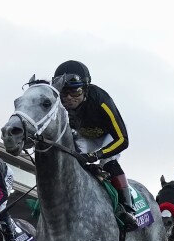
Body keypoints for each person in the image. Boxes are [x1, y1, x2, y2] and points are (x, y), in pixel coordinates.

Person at [53, 60, 138, 230]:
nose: (69, 98)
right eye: (64, 92)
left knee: (109, 163)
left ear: (85, 88)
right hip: (83, 135)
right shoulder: (57, 102)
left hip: (109, 135)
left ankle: (128, 209)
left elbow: (123, 139)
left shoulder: (102, 101)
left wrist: (98, 155)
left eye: (75, 91)